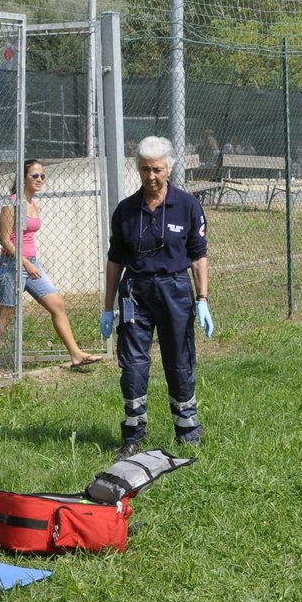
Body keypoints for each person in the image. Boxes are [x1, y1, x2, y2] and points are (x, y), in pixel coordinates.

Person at [102, 135, 213, 457]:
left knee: (179, 361)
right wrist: (108, 307)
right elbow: (115, 261)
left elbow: (198, 255)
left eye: (158, 170)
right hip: (135, 291)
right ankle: (133, 434)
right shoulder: (125, 211)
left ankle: (187, 429)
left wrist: (202, 299)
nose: (151, 176)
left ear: (169, 169)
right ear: (138, 169)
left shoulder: (188, 206)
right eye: (145, 170)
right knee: (133, 365)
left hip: (175, 290)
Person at [0, 159, 104, 376]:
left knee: (58, 305)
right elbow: (5, 240)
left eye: (42, 176)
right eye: (34, 175)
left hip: (32, 264)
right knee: (5, 316)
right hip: (12, 266)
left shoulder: (33, 203)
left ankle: (75, 354)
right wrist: (25, 263)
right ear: (23, 178)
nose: (39, 179)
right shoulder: (12, 203)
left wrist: (31, 263)